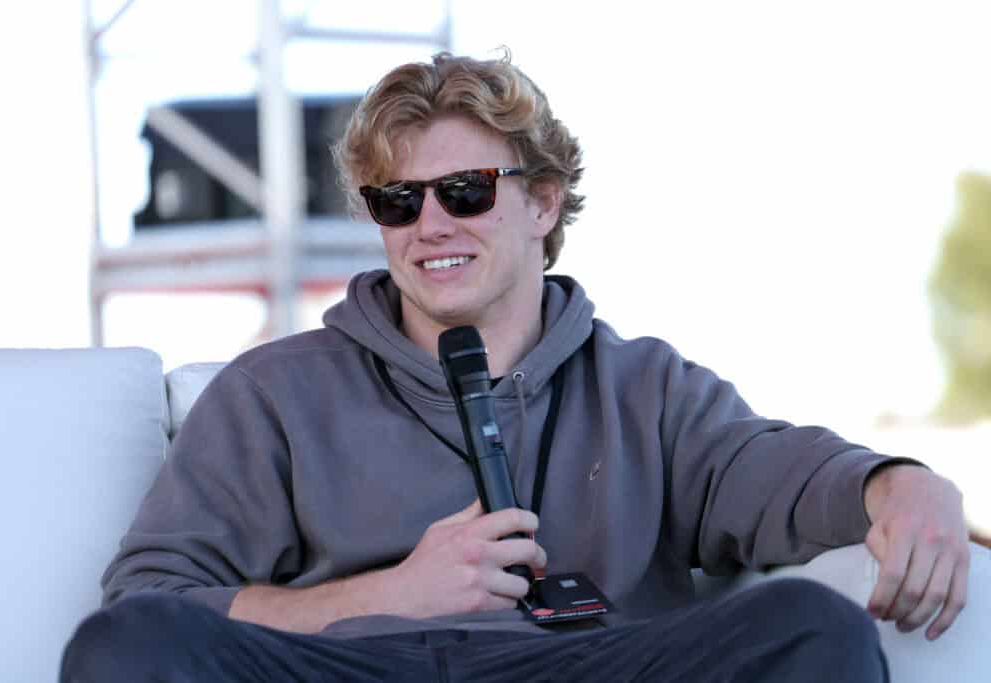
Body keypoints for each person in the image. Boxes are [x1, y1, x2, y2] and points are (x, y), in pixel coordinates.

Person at [60, 51, 970, 682]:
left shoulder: (643, 387)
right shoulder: (273, 392)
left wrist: (898, 484)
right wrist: (391, 593)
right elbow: (148, 599)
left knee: (812, 630)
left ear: (543, 202)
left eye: (464, 191)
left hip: (584, 664)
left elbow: (771, 472)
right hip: (355, 668)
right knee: (128, 651)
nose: (431, 226)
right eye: (397, 201)